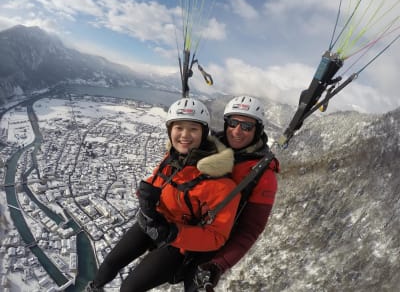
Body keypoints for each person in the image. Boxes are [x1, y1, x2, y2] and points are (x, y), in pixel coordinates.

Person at [85, 98, 241, 292]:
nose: (185, 135)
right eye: (179, 128)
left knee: (130, 288)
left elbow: (216, 237)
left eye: (193, 129)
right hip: (153, 220)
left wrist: (173, 233)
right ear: (170, 131)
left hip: (179, 241)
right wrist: (145, 195)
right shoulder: (172, 158)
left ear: (204, 133)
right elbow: (156, 182)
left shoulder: (221, 185)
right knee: (110, 263)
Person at [191, 95, 280, 291]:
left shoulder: (263, 174)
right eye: (233, 123)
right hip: (182, 231)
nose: (237, 131)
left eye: (247, 126)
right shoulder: (208, 146)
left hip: (213, 247)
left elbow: (251, 228)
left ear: (257, 130)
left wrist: (218, 264)